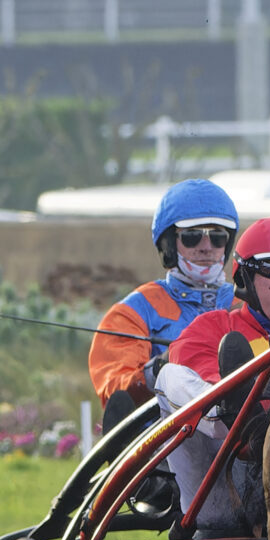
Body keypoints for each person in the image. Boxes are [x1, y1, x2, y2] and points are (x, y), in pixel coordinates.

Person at [151, 216, 270, 539]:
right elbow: (196, 371)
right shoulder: (213, 327)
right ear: (245, 276)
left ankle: (251, 402)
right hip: (218, 493)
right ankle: (237, 406)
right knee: (169, 376)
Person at [89, 179, 240, 427]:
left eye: (217, 237)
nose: (206, 247)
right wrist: (159, 369)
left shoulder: (246, 305)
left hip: (235, 439)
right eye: (192, 237)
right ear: (169, 244)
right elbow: (114, 389)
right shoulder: (131, 313)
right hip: (163, 446)